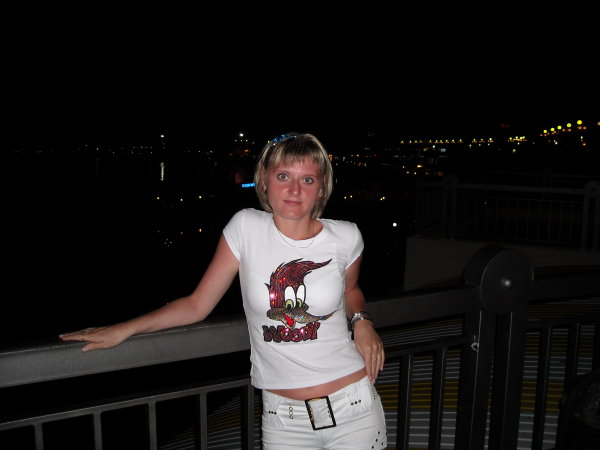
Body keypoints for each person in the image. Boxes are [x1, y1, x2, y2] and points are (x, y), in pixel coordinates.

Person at [60, 132, 388, 449]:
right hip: (284, 420)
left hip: (354, 408)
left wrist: (362, 321)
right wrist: (125, 328)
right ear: (264, 181)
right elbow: (197, 304)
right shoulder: (245, 228)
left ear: (321, 188)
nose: (294, 189)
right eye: (283, 176)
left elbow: (351, 291)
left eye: (307, 179)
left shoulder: (346, 236)